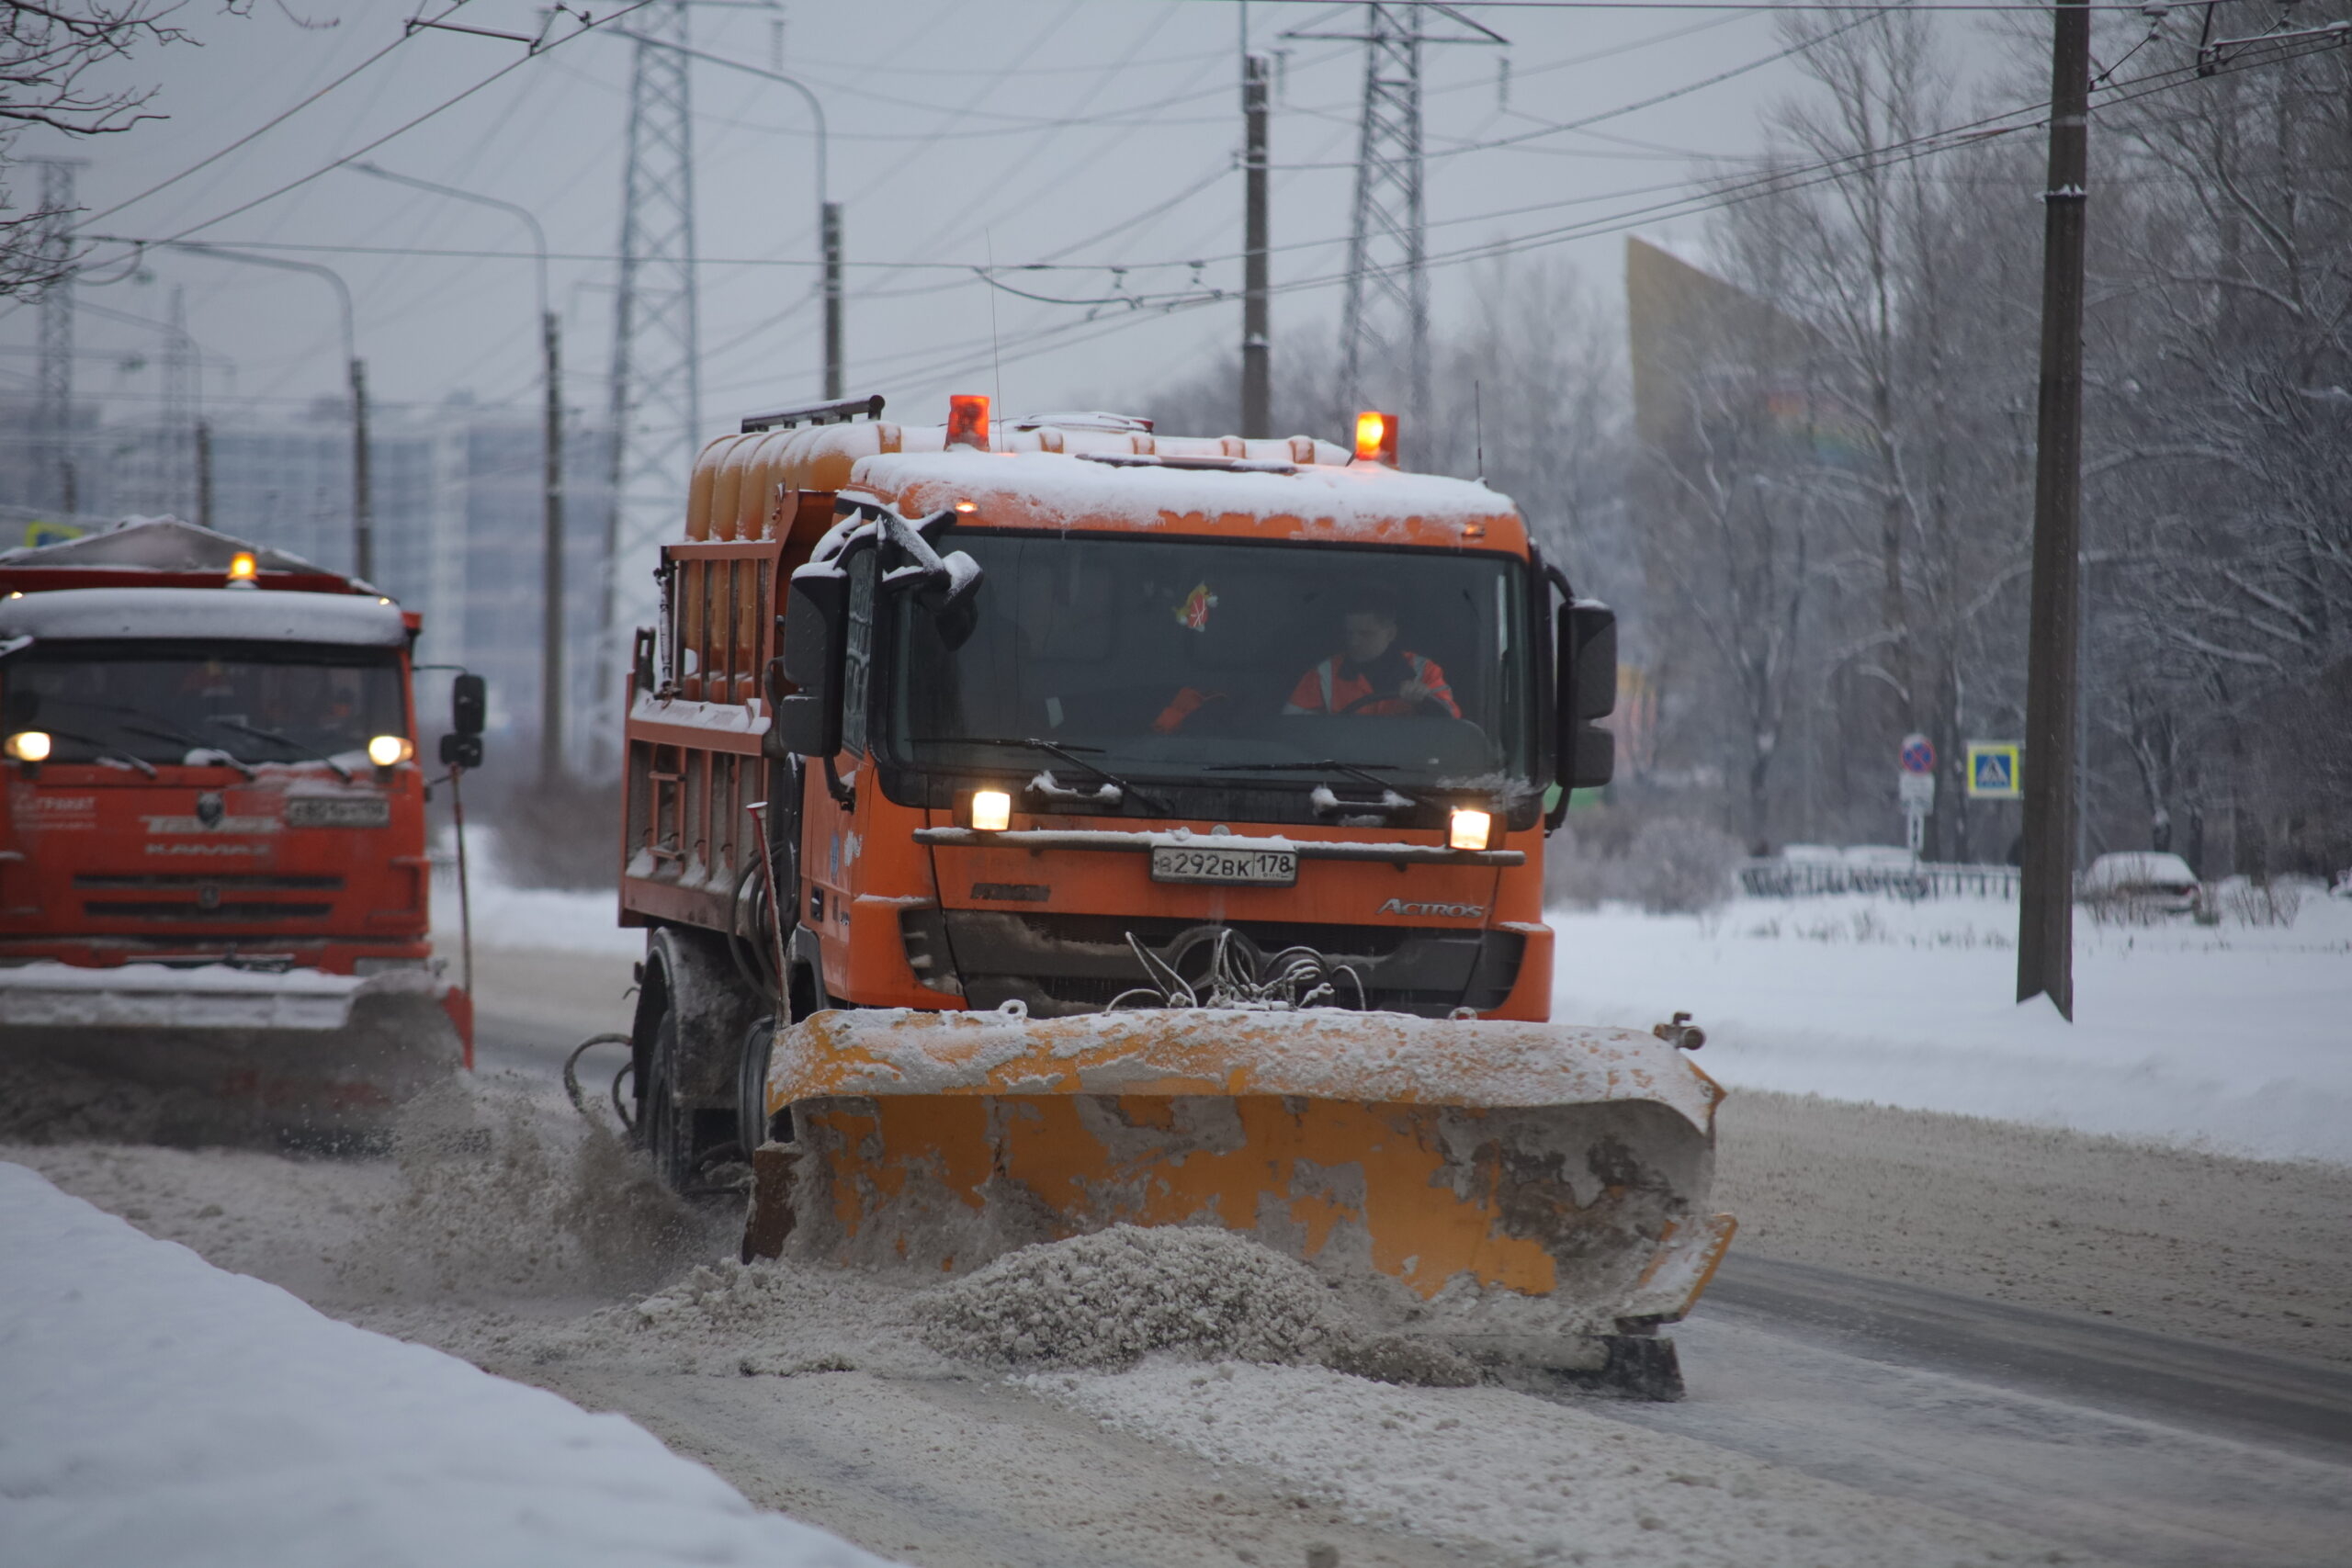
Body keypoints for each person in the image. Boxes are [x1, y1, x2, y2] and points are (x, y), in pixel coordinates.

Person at [1283, 592, 1460, 719]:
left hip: (1410, 765)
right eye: (1349, 633)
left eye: (1365, 634)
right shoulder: (1324, 673)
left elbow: (1451, 722)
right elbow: (1294, 727)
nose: (1353, 641)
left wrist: (1423, 701)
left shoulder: (1424, 671)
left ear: (1390, 634)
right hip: (1343, 765)